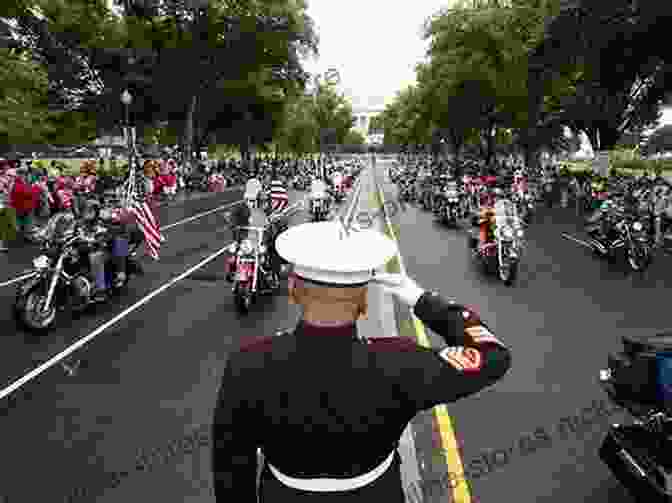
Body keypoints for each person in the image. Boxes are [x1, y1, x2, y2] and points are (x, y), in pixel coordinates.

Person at [211, 221, 511, 502]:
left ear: (293, 292)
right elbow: (493, 355)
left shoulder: (247, 365)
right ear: (364, 304)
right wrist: (423, 300)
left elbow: (230, 469)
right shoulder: (401, 361)